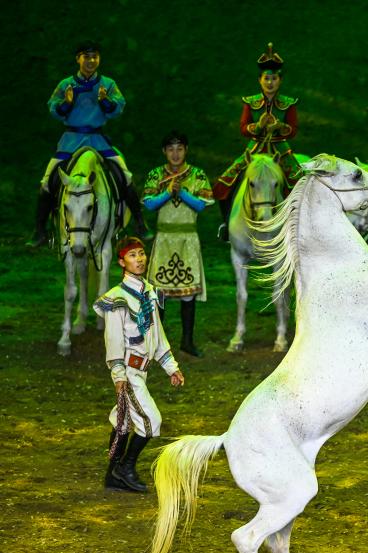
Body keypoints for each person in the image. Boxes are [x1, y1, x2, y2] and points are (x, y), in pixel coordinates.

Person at [30, 41, 147, 248]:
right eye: (86, 56)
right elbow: (53, 109)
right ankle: (39, 230)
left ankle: (140, 223)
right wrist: (66, 103)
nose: (91, 61)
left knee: (125, 175)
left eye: (95, 57)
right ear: (78, 59)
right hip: (71, 141)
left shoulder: (108, 84)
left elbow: (118, 108)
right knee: (48, 180)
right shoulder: (66, 84)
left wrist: (104, 101)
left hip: (97, 140)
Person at [94, 237, 185, 493]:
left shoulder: (150, 292)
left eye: (142, 253)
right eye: (133, 255)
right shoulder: (117, 300)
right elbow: (113, 341)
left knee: (123, 421)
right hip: (129, 371)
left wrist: (171, 366)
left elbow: (158, 334)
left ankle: (112, 475)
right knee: (150, 420)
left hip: (143, 370)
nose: (140, 259)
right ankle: (125, 467)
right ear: (122, 262)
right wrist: (118, 374)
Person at [212, 43, 300, 238]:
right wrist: (258, 126)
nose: (270, 83)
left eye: (274, 78)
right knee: (227, 180)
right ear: (259, 80)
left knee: (301, 183)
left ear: (280, 80)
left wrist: (279, 127)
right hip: (255, 149)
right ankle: (227, 224)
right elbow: (243, 128)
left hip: (280, 150)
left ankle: (300, 228)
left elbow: (293, 130)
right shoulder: (250, 102)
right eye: (266, 78)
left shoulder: (288, 103)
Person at [142, 130, 214, 357]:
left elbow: (202, 206)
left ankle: (187, 341)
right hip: (164, 238)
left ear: (186, 150)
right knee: (160, 292)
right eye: (171, 149)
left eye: (179, 148)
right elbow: (150, 205)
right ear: (164, 151)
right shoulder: (155, 175)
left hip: (187, 239)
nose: (175, 154)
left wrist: (181, 192)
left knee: (187, 293)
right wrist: (167, 193)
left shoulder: (198, 175)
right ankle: (158, 343)